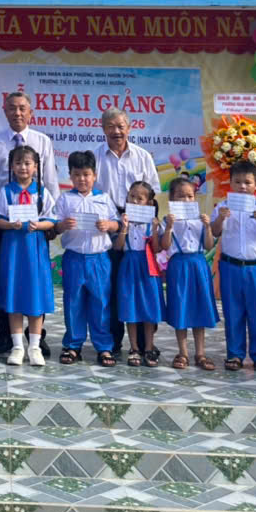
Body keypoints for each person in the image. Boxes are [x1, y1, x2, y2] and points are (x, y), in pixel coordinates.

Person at [0, 90, 59, 356]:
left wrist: (53, 223)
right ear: (4, 111)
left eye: (22, 108)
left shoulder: (42, 141)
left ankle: (37, 338)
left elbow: (50, 180)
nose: (17, 113)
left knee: (35, 278)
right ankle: (6, 335)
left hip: (36, 224)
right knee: (7, 276)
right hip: (4, 220)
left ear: (31, 112)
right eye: (12, 108)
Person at [95, 107, 161, 357]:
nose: (116, 131)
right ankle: (113, 342)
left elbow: (153, 195)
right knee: (113, 285)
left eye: (120, 126)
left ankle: (145, 344)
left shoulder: (142, 156)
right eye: (110, 126)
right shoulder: (95, 156)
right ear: (103, 129)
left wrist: (149, 223)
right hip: (110, 225)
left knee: (143, 285)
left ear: (129, 128)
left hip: (141, 227)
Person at [54, 150, 120, 366]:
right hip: (74, 258)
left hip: (99, 259)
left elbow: (117, 223)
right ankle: (73, 345)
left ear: (94, 175)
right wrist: (63, 225)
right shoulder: (65, 199)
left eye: (86, 174)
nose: (82, 179)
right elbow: (55, 226)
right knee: (73, 302)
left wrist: (108, 225)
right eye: (77, 174)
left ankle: (104, 346)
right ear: (70, 176)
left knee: (101, 302)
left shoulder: (103, 198)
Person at [211, 159, 256, 372]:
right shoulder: (222, 207)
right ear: (230, 183)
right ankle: (235, 354)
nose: (242, 186)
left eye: (247, 182)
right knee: (233, 312)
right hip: (230, 266)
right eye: (237, 182)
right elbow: (214, 232)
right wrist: (220, 219)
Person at [0, 145, 56, 366]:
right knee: (14, 293)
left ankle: (35, 347)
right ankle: (17, 346)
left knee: (35, 294)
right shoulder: (6, 192)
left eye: (28, 163)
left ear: (36, 167)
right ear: (12, 166)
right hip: (13, 250)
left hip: (35, 250)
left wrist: (38, 225)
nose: (23, 167)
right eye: (18, 163)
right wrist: (10, 224)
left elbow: (52, 220)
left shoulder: (42, 192)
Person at [160, 177, 218, 371]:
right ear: (171, 198)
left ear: (195, 197)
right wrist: (169, 227)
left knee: (200, 306)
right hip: (178, 265)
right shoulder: (167, 221)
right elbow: (164, 245)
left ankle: (200, 353)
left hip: (198, 264)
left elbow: (208, 245)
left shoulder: (200, 220)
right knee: (180, 305)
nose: (185, 200)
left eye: (189, 196)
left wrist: (208, 227)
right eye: (180, 196)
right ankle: (182, 352)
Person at [111, 180, 164, 367]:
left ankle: (148, 347)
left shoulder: (152, 223)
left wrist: (155, 230)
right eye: (131, 197)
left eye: (139, 198)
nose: (134, 201)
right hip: (129, 265)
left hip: (147, 266)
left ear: (149, 203)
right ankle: (134, 347)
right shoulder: (123, 222)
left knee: (149, 306)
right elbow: (118, 247)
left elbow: (157, 249)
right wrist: (124, 229)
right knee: (130, 305)